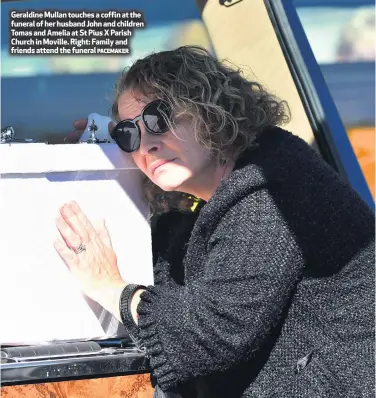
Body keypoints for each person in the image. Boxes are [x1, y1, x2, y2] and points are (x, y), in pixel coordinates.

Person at [54, 46, 375, 397]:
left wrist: (109, 286)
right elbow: (170, 267)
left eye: (158, 118)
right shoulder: (227, 188)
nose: (146, 145)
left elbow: (210, 335)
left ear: (208, 106)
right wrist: (108, 160)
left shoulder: (268, 186)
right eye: (129, 135)